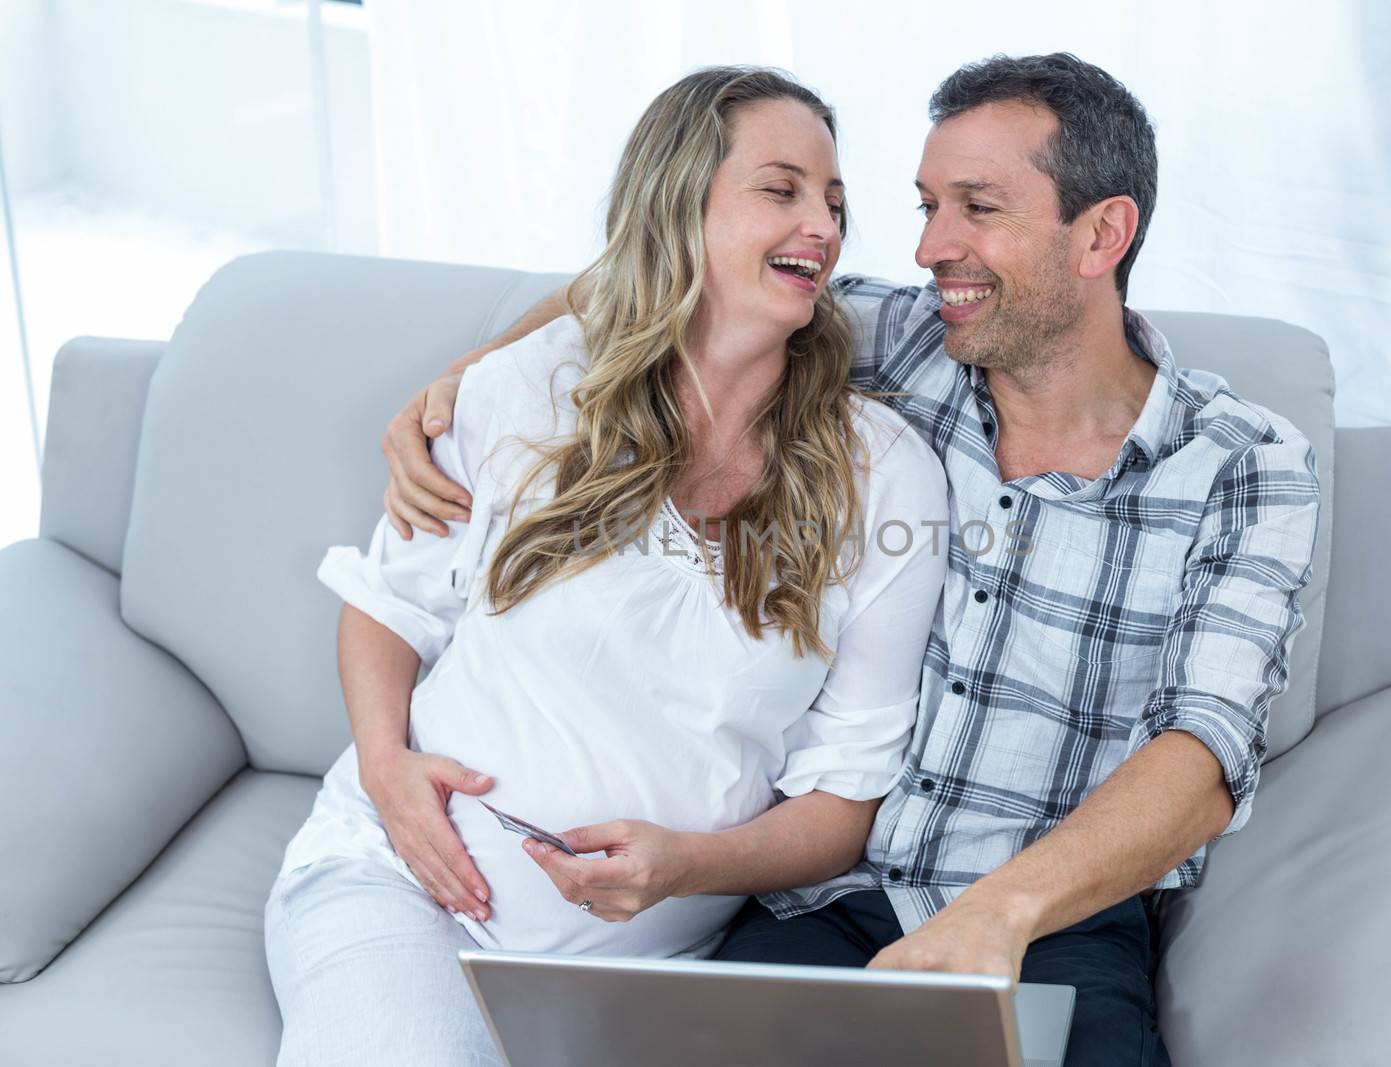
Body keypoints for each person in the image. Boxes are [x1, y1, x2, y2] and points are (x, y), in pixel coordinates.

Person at [384, 53, 1320, 1067]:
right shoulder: (898, 339)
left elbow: (1205, 752)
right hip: (820, 902)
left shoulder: (1242, 462)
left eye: (976, 207)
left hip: (1055, 915)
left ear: (1101, 233)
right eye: (924, 205)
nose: (931, 249)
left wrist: (997, 914)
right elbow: (658, 276)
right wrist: (456, 385)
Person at [264, 66, 950, 1066]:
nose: (823, 226)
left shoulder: (883, 473)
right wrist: (383, 763)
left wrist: (688, 866)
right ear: (679, 201)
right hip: (402, 888)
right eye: (782, 188)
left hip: (642, 966)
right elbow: (389, 602)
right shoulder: (534, 383)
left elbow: (841, 805)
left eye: (835, 203)